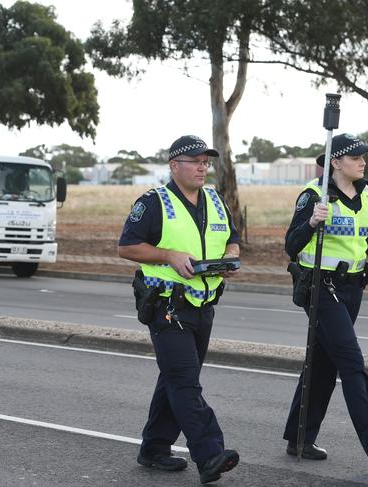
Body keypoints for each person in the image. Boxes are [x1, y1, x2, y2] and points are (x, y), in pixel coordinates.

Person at [282, 133, 368, 470]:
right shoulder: (313, 196)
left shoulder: (367, 195)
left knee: (324, 363)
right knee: (351, 363)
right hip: (321, 289)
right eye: (356, 157)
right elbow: (291, 245)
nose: (363, 162)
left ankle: (299, 438)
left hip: (352, 289)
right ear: (335, 162)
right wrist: (312, 222)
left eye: (363, 157)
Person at [118, 135, 241, 484]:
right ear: (174, 166)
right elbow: (126, 247)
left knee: (174, 379)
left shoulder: (216, 201)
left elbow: (231, 238)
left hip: (203, 306)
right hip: (167, 306)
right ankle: (210, 454)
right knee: (185, 382)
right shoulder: (154, 202)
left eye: (206, 161)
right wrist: (168, 255)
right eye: (195, 160)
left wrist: (231, 256)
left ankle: (154, 448)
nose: (203, 166)